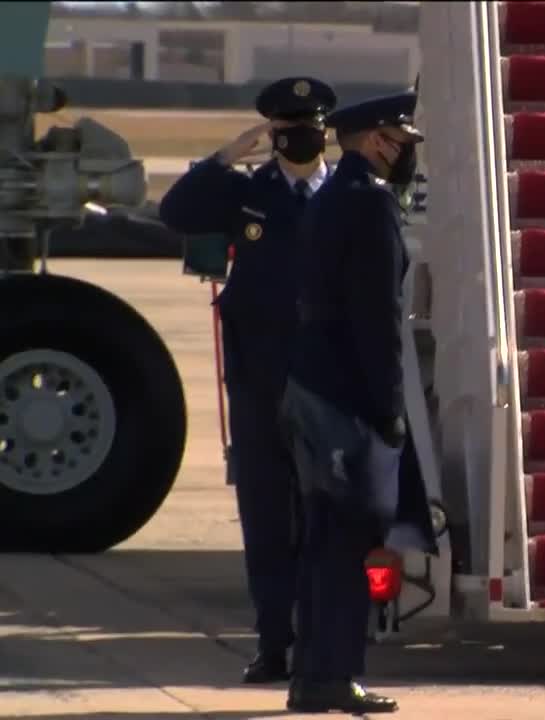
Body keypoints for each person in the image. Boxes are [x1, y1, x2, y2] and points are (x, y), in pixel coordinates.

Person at [158, 75, 337, 685]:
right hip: (260, 381)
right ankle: (273, 644)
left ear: (325, 131)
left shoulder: (347, 194)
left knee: (327, 518)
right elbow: (175, 211)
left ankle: (324, 644)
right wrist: (224, 158)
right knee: (266, 516)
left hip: (328, 381)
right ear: (273, 135)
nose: (300, 138)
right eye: (287, 129)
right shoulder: (245, 192)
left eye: (309, 126)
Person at [277, 90, 423, 715]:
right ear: (375, 140)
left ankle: (312, 673)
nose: (403, 153)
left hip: (310, 384)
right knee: (349, 536)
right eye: (398, 141)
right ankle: (335, 673)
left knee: (319, 538)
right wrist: (388, 406)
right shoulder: (370, 204)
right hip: (347, 396)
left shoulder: (330, 196)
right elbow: (378, 317)